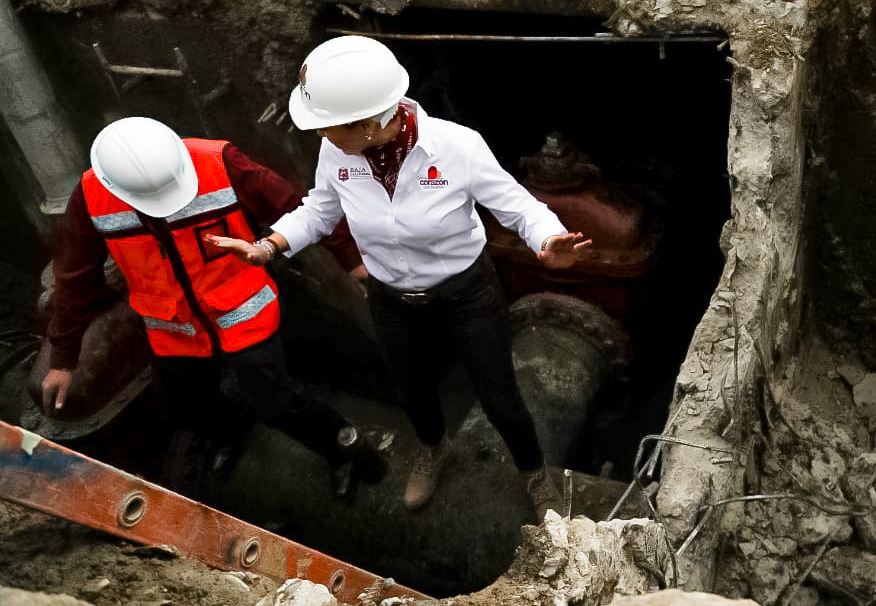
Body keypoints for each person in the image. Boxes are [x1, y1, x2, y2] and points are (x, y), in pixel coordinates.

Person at [206, 35, 592, 521]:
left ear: (368, 123)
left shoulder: (456, 147)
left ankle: (536, 474)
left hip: (466, 294)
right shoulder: (338, 154)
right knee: (411, 389)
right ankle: (433, 447)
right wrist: (269, 245)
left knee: (500, 397)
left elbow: (519, 208)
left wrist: (548, 239)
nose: (320, 136)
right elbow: (318, 212)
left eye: (327, 126)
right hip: (391, 297)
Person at [42, 116, 381, 500]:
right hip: (174, 328)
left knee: (278, 403)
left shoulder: (222, 164)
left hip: (243, 313)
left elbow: (297, 209)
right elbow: (74, 276)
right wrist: (64, 358)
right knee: (183, 408)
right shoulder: (91, 198)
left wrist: (352, 259)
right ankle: (231, 429)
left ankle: (340, 447)